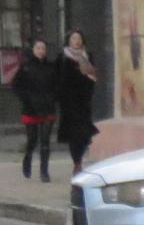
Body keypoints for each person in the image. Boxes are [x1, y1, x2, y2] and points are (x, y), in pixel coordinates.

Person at [11, 38, 59, 182]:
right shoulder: (25, 67)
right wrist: (26, 99)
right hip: (31, 108)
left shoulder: (50, 67)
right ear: (33, 50)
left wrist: (54, 98)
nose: (41, 51)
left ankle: (44, 172)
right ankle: (28, 156)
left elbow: (57, 85)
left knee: (45, 141)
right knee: (32, 139)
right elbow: (16, 86)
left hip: (48, 108)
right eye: (38, 48)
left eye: (43, 48)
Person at [55, 30, 98, 173]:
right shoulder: (62, 57)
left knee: (85, 135)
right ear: (69, 41)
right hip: (68, 102)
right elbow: (57, 78)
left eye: (79, 38)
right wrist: (59, 95)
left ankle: (79, 158)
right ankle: (77, 162)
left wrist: (89, 91)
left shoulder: (87, 56)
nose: (77, 41)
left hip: (84, 101)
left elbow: (92, 77)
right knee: (73, 134)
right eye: (74, 38)